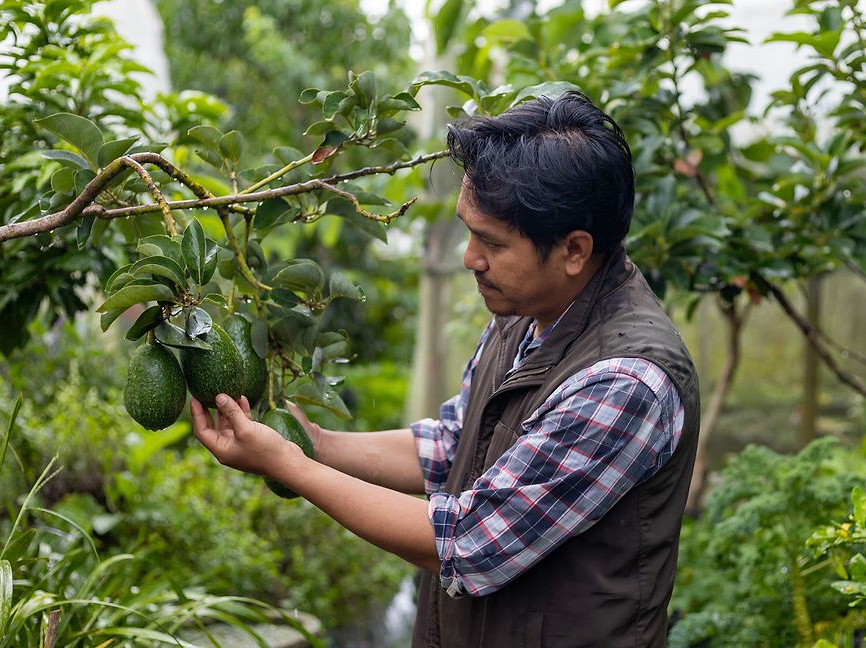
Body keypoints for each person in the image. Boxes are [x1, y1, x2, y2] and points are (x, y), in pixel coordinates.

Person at [191, 91, 700, 648]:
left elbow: (469, 544)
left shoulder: (625, 382)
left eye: (492, 242)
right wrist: (316, 442)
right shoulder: (527, 311)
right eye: (469, 230)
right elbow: (458, 446)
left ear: (574, 250)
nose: (469, 258)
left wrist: (292, 466)